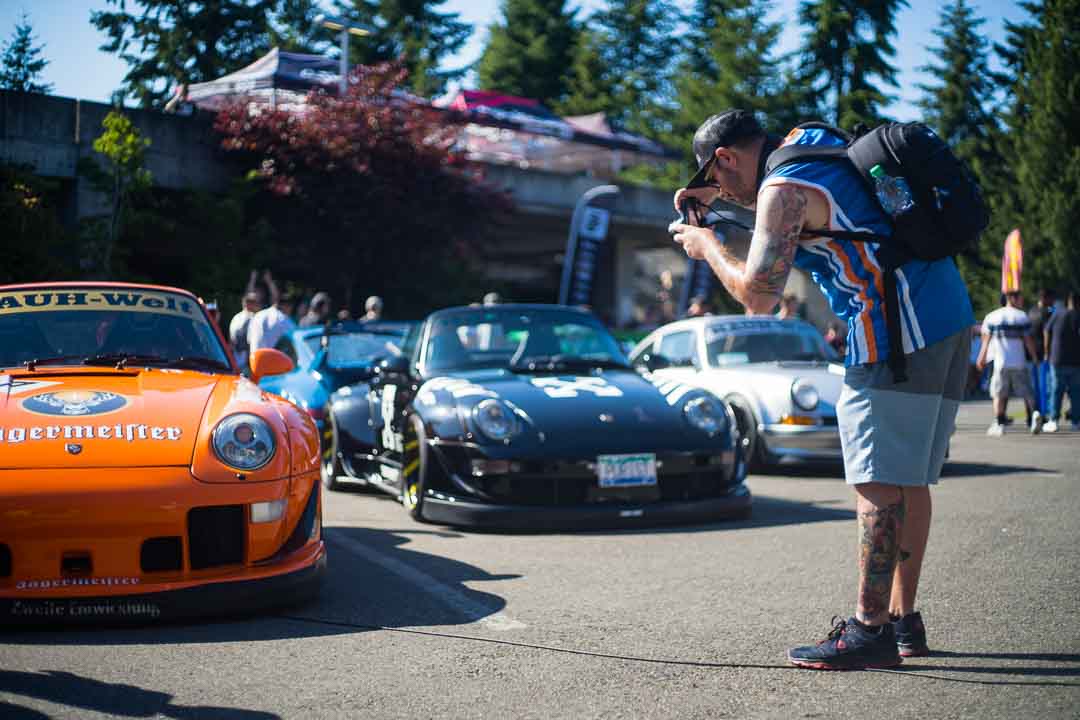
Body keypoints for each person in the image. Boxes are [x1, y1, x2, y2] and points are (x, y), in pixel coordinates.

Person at [669, 109, 974, 670]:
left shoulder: (781, 190)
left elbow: (759, 294)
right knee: (910, 478)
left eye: (716, 177)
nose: (720, 189)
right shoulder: (812, 144)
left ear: (726, 159)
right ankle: (905, 622)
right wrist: (717, 206)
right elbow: (812, 213)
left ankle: (869, 631)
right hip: (946, 316)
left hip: (894, 334)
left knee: (876, 481)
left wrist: (707, 245)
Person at [975, 292, 1042, 436]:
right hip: (1019, 361)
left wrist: (981, 357)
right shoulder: (1021, 316)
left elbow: (985, 341)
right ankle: (1033, 417)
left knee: (998, 393)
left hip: (1000, 361)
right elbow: (1028, 340)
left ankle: (999, 423)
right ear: (1012, 298)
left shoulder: (992, 317)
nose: (1022, 301)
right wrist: (1035, 357)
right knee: (1027, 392)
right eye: (1020, 298)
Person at [1042, 290, 1080, 432]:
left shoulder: (1058, 313)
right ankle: (1076, 422)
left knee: (1056, 391)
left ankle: (1053, 420)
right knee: (1076, 393)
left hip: (1057, 358)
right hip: (1076, 361)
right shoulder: (1078, 315)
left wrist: (1046, 351)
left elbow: (1046, 330)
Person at [248, 288, 297, 355]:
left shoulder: (257, 316)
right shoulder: (284, 320)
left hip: (254, 361)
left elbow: (249, 341)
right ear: (288, 306)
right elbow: (295, 345)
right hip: (273, 362)